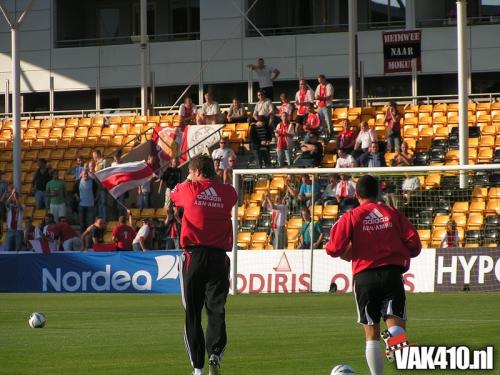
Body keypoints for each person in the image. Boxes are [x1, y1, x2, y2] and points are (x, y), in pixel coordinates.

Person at [325, 175, 421, 375]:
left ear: (356, 194)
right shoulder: (393, 213)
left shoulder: (351, 216)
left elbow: (333, 248)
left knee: (371, 334)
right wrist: (398, 249)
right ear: (378, 193)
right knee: (397, 328)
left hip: (364, 277)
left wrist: (347, 252)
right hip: (391, 274)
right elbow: (415, 245)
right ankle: (393, 337)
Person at [170, 155, 238, 375]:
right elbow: (229, 197)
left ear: (197, 171)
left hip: (194, 256)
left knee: (192, 313)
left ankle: (198, 368)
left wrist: (188, 182)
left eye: (190, 172)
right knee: (216, 309)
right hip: (219, 258)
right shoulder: (228, 193)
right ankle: (216, 353)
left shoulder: (188, 188)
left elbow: (174, 195)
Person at [5, 186, 24, 252]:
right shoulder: (10, 206)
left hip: (18, 230)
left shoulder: (23, 206)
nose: (14, 198)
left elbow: (19, 207)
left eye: (16, 197)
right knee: (9, 249)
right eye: (13, 197)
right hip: (10, 230)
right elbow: (6, 203)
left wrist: (15, 197)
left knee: (18, 249)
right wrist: (12, 195)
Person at [92, 149, 109, 221]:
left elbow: (106, 173)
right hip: (97, 187)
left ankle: (104, 219)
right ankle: (100, 219)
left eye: (93, 155)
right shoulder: (96, 164)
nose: (93, 157)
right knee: (99, 204)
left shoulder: (104, 162)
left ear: (97, 154)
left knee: (103, 203)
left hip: (102, 186)